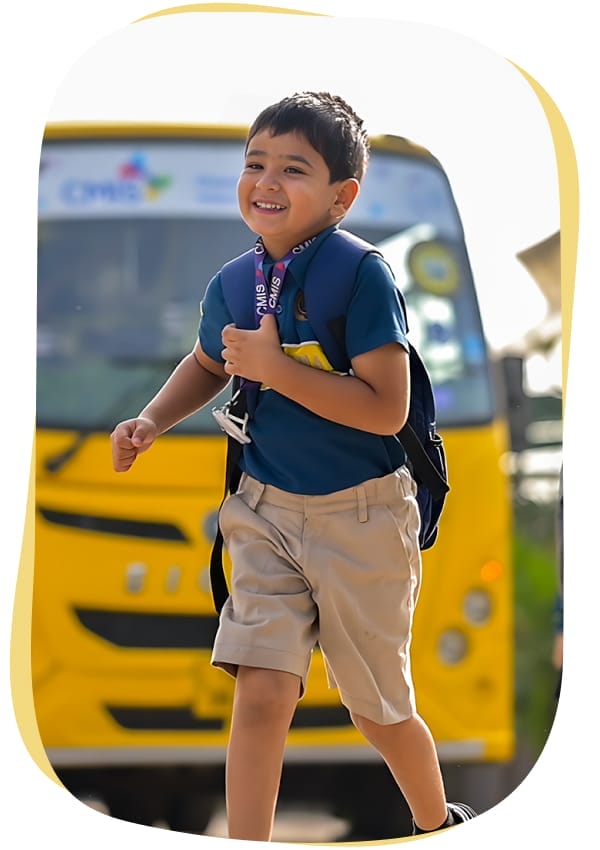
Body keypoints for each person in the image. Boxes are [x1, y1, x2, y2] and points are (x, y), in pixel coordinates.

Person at [110, 91, 476, 841]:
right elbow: (209, 363)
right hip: (266, 510)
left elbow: (386, 410)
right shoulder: (232, 285)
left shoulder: (361, 278)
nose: (266, 182)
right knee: (262, 689)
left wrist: (276, 369)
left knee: (379, 711)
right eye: (255, 164)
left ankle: (437, 822)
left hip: (364, 516)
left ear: (342, 195)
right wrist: (151, 419)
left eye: (293, 169)